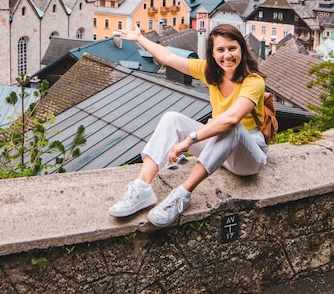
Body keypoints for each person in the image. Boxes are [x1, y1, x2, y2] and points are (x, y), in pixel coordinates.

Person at [109, 23, 268, 228]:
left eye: (232, 48)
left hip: (248, 157)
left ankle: (182, 195)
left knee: (231, 126)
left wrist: (189, 140)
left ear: (242, 50)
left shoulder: (253, 81)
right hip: (220, 149)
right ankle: (142, 188)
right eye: (220, 50)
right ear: (212, 53)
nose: (227, 55)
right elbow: (168, 58)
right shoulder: (211, 72)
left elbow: (230, 119)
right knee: (171, 118)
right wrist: (140, 38)